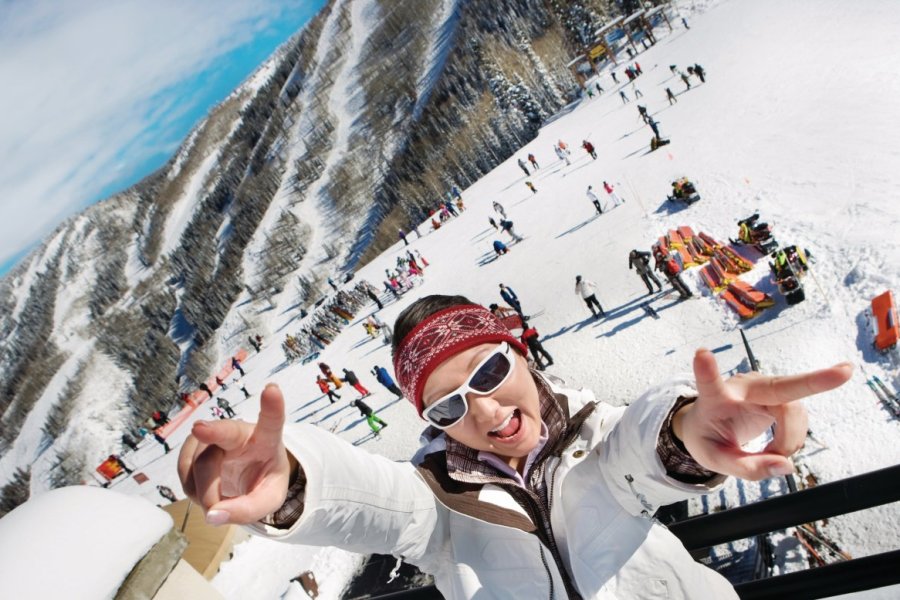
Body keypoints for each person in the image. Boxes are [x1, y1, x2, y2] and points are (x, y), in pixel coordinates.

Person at [178, 295, 851, 599]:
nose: (486, 410)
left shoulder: (593, 435)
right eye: (448, 406)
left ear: (520, 354)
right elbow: (372, 500)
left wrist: (690, 434)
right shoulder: (439, 504)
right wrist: (295, 482)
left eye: (491, 373)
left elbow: (640, 451)